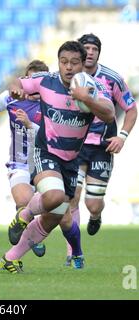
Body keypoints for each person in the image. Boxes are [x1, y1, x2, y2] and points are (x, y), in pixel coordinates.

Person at [0, 41, 115, 273]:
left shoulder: (94, 88)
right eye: (64, 62)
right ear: (58, 63)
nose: (68, 67)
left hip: (71, 160)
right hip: (46, 152)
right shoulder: (45, 80)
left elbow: (110, 115)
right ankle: (25, 214)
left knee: (54, 217)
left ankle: (10, 258)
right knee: (54, 196)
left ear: (83, 65)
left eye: (74, 63)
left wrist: (88, 99)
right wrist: (16, 89)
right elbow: (15, 82)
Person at [64, 34, 137, 265]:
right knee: (72, 198)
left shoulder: (112, 78)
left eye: (95, 48)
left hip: (102, 147)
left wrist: (122, 137)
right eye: (87, 48)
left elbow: (131, 109)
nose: (91, 52)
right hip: (75, 145)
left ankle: (96, 216)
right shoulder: (68, 78)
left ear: (99, 53)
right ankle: (73, 252)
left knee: (92, 203)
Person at [0, 60, 49, 257]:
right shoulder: (12, 99)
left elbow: (51, 137)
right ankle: (26, 235)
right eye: (30, 78)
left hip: (44, 164)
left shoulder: (53, 104)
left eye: (39, 79)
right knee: (24, 203)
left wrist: (29, 125)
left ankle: (30, 234)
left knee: (51, 210)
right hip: (19, 163)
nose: (34, 83)